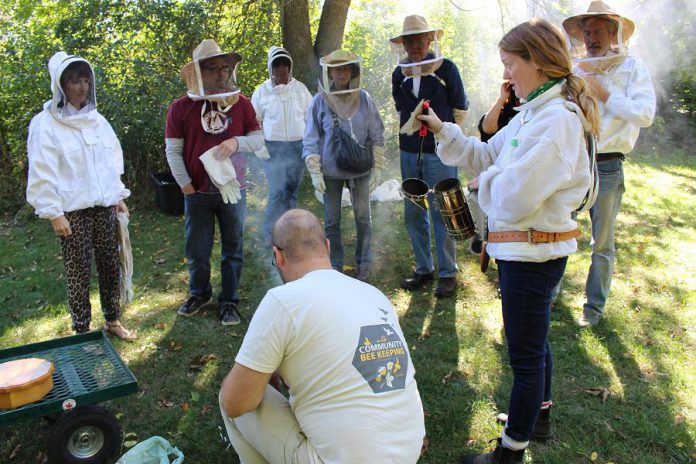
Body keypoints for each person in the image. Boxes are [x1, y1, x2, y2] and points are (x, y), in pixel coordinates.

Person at [418, 19, 599, 463]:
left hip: (534, 254)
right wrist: (443, 129)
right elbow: (485, 153)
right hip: (528, 250)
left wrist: (485, 182)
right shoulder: (537, 113)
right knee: (534, 343)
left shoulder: (556, 121)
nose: (507, 76)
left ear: (536, 62)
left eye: (511, 64)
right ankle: (537, 416)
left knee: (524, 355)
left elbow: (515, 197)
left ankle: (510, 451)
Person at [219, 209, 425, 463]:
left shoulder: (282, 300)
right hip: (407, 452)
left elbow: (235, 403)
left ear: (278, 256)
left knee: (232, 394)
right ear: (327, 247)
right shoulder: (374, 294)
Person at [26, 52, 136, 340]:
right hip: (72, 212)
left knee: (110, 266)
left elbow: (111, 163)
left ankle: (112, 321)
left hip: (103, 207)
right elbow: (42, 170)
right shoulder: (45, 124)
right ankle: (82, 330)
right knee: (78, 273)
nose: (83, 86)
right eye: (75, 81)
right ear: (61, 85)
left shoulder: (98, 121)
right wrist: (54, 213)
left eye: (86, 79)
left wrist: (117, 196)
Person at [563, 0, 656, 327]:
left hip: (608, 165)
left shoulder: (632, 68)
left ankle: (594, 308)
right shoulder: (575, 69)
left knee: (601, 242)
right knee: (558, 229)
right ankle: (550, 294)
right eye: (586, 32)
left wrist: (604, 94)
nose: (591, 38)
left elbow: (644, 115)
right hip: (573, 163)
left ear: (613, 31)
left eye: (598, 31)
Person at [165, 39, 264, 326]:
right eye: (213, 68)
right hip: (197, 191)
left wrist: (236, 141)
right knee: (197, 249)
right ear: (199, 73)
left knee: (233, 248)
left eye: (225, 67)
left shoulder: (242, 104)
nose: (221, 73)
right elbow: (173, 149)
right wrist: (185, 185)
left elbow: (258, 140)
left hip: (234, 190)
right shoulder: (180, 107)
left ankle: (229, 301)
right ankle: (200, 293)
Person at [391, 15, 470, 298]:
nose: (415, 46)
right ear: (404, 44)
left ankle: (448, 273)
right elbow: (401, 107)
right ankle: (424, 268)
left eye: (419, 40)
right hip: (409, 152)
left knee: (444, 211)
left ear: (430, 40)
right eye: (409, 41)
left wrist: (448, 140)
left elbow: (460, 107)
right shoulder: (399, 73)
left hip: (440, 153)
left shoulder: (447, 69)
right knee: (414, 212)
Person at [303, 49, 385, 281]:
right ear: (329, 72)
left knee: (363, 219)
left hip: (360, 170)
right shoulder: (319, 101)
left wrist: (378, 165)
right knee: (331, 222)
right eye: (336, 69)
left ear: (353, 71)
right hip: (330, 172)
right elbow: (310, 138)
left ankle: (364, 263)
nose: (341, 73)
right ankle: (335, 266)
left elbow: (377, 133)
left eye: (345, 68)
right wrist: (314, 171)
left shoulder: (365, 98)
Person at [251, 46, 313, 245]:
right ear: (271, 70)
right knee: (277, 192)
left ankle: (289, 232)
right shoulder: (261, 92)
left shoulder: (301, 89)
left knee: (291, 192)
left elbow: (311, 119)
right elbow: (254, 121)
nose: (281, 72)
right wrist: (259, 145)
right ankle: (269, 235)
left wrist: (311, 146)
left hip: (297, 146)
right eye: (277, 68)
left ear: (290, 69)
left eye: (285, 67)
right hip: (273, 148)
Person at [467, 80, 520, 255]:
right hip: (493, 171)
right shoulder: (505, 111)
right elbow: (487, 128)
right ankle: (482, 233)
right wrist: (501, 99)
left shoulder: (532, 114)